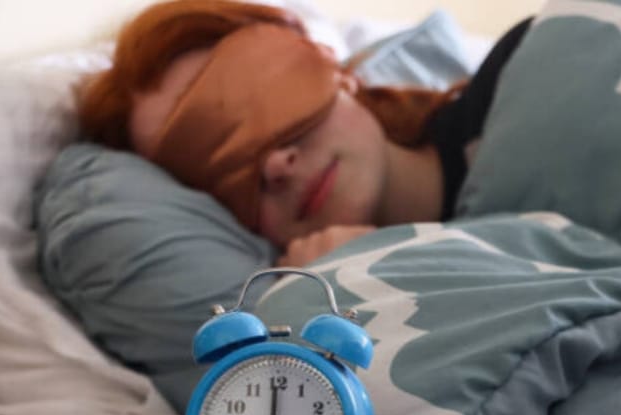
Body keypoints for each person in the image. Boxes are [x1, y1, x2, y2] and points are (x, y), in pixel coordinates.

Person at [78, 0, 532, 266]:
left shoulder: (528, 73)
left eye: (256, 104)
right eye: (212, 176)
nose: (275, 165)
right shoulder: (310, 312)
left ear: (325, 60)